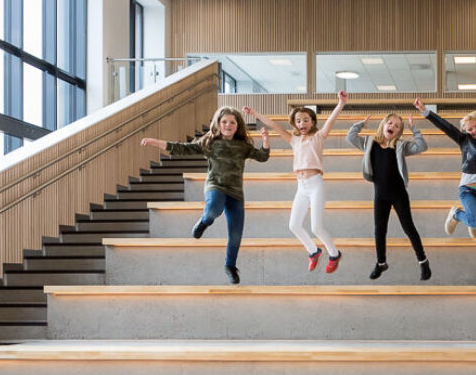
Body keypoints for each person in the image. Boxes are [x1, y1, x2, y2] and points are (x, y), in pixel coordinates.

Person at [140, 106, 269, 285]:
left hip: (236, 192)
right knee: (213, 210)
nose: (228, 125)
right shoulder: (210, 142)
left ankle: (230, 266)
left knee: (236, 233)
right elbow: (184, 149)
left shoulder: (242, 146)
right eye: (224, 122)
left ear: (238, 125)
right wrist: (156, 142)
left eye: (232, 122)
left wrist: (265, 140)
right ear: (218, 123)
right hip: (215, 186)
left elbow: (262, 157)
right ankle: (204, 222)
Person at [245, 92, 346, 273]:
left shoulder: (319, 137)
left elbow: (331, 119)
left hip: (315, 184)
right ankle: (313, 251)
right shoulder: (293, 139)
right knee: (294, 225)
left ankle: (334, 254)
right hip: (301, 186)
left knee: (316, 227)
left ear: (313, 121)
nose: (302, 124)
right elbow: (274, 125)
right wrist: (255, 114)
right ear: (295, 124)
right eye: (298, 121)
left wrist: (341, 103)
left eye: (306, 120)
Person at [415, 78, 476, 238]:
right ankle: (457, 214)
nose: (474, 130)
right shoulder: (464, 141)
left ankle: (472, 219)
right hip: (468, 190)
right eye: (469, 129)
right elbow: (445, 126)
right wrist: (425, 111)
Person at [346, 112, 432, 280]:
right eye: (390, 123)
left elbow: (422, 147)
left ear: (399, 132)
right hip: (380, 195)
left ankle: (423, 261)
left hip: (399, 194)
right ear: (383, 125)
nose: (392, 126)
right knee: (379, 230)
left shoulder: (400, 145)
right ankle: (381, 263)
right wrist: (360, 125)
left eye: (397, 126)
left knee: (409, 228)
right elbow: (350, 137)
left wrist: (414, 129)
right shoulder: (369, 142)